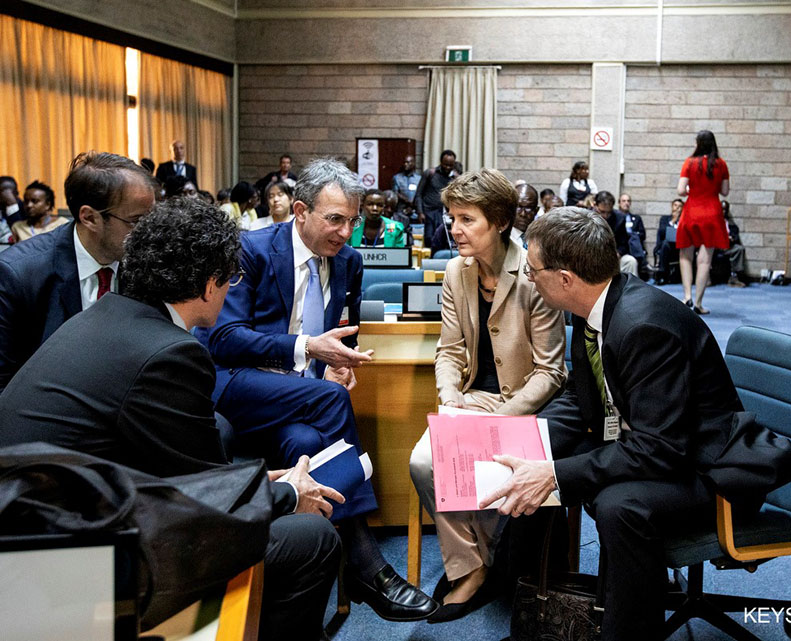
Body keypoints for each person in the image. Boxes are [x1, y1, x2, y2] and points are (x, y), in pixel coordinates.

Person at [0, 198, 343, 641]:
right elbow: (207, 507)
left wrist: (256, 485)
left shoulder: (103, 315)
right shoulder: (170, 353)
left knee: (221, 431)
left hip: (31, 535)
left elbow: (191, 475)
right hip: (66, 574)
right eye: (231, 279)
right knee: (310, 538)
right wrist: (287, 494)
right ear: (207, 285)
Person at [481, 206, 746, 641]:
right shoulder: (597, 309)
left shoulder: (644, 327)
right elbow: (580, 402)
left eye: (532, 269)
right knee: (536, 460)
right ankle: (524, 596)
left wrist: (551, 474)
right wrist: (528, 442)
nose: (528, 277)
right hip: (651, 439)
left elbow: (660, 449)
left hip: (705, 465)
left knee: (619, 504)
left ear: (565, 279)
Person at [197, 157, 437, 622]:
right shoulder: (251, 250)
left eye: (351, 220)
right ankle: (366, 561)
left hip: (300, 404)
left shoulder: (348, 262)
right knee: (329, 401)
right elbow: (223, 340)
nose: (346, 232)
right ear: (301, 211)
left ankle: (306, 591)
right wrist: (309, 348)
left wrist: (342, 364)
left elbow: (346, 333)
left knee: (308, 443)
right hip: (237, 386)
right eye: (335, 219)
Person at [408, 169, 566, 622]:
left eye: (465, 219)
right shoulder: (456, 271)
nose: (452, 228)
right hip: (473, 398)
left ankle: (488, 562)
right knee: (423, 462)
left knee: (484, 464)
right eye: (450, 217)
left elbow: (551, 371)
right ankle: (474, 566)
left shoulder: (533, 273)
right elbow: (450, 350)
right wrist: (450, 394)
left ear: (498, 221)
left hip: (524, 404)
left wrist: (502, 418)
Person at [0, 151, 155, 392]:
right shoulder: (18, 275)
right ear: (90, 218)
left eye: (152, 219)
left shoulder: (146, 261)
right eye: (137, 221)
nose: (151, 232)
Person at [677, 130, 730, 314]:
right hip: (712, 213)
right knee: (705, 260)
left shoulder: (689, 163)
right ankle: (698, 303)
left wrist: (692, 189)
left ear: (698, 144)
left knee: (686, 255)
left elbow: (680, 190)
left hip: (692, 211)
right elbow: (725, 191)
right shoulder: (721, 164)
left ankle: (687, 297)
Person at [415, 149, 457, 243]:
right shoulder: (430, 173)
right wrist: (420, 212)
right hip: (428, 213)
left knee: (443, 240)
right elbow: (419, 194)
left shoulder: (455, 178)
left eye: (450, 165)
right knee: (429, 239)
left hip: (445, 215)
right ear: (441, 162)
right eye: (445, 164)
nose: (447, 167)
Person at [593, 191, 638, 276]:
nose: (606, 216)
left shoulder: (620, 218)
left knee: (630, 261)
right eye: (602, 212)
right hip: (593, 256)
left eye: (609, 212)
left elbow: (624, 243)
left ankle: (629, 289)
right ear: (595, 205)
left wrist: (618, 253)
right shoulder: (587, 216)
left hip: (613, 256)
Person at [718, 200, 748, 287]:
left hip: (728, 246)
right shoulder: (712, 222)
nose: (723, 212)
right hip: (715, 246)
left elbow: (735, 236)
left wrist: (731, 239)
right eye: (721, 209)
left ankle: (734, 277)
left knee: (739, 249)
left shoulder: (730, 223)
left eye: (725, 210)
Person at [654, 198, 683, 284]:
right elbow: (662, 232)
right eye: (675, 205)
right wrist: (673, 221)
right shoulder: (665, 219)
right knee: (665, 243)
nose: (677, 208)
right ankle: (662, 274)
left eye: (680, 206)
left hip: (680, 247)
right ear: (672, 206)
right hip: (667, 248)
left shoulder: (684, 220)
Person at [510, 183, 539, 248]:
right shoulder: (500, 239)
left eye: (528, 208)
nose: (523, 214)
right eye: (518, 207)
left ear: (536, 210)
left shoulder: (542, 239)